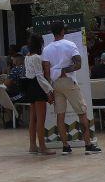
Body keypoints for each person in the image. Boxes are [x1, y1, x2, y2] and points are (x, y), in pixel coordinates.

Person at [42, 21, 101, 155]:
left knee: (60, 115)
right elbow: (78, 64)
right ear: (62, 31)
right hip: (68, 81)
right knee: (82, 112)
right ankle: (88, 144)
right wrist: (64, 70)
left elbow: (46, 72)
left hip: (55, 83)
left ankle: (65, 146)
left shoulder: (46, 49)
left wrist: (49, 89)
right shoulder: (70, 44)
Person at [22, 34, 54, 156]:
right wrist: (49, 91)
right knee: (41, 119)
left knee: (33, 118)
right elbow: (40, 77)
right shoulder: (36, 57)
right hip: (38, 87)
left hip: (30, 87)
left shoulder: (27, 57)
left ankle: (32, 145)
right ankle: (42, 147)